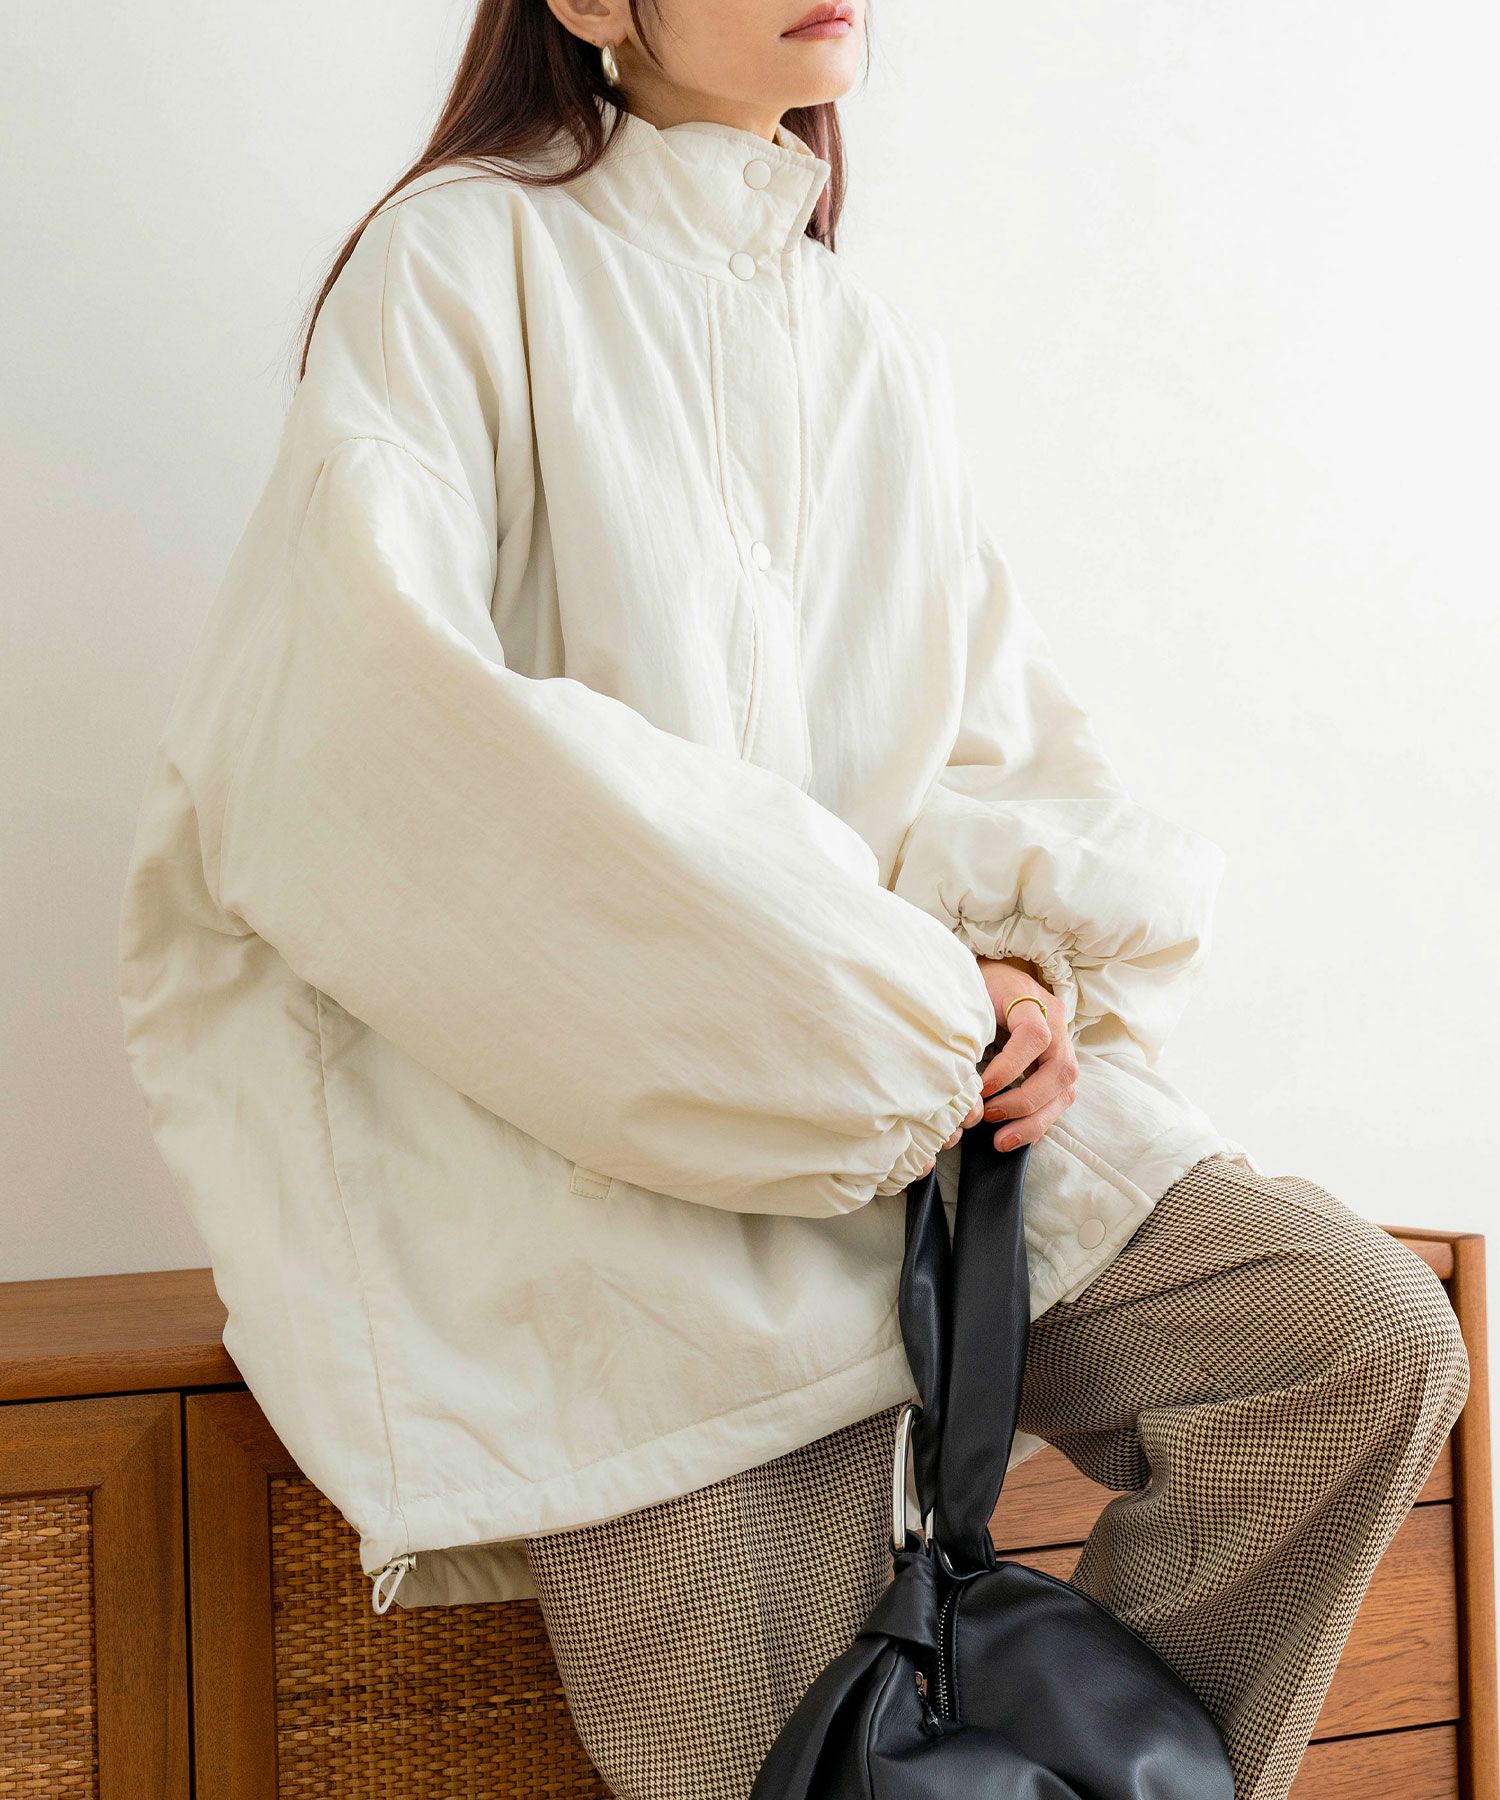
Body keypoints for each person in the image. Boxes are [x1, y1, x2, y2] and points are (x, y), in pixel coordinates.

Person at [115, 2, 1470, 1797]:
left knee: (1350, 1342)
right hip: (609, 1195)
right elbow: (376, 734)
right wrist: (888, 1018)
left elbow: (982, 732)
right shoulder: (460, 263)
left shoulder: (861, 340)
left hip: (931, 1122)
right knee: (771, 1743)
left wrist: (1014, 961)